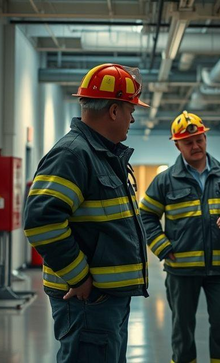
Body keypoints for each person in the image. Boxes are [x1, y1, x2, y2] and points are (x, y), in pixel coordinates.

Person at [23, 64, 150, 363]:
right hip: (89, 300)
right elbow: (41, 220)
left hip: (106, 299)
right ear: (114, 111)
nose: (132, 118)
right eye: (130, 110)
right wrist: (79, 279)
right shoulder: (73, 154)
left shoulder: (102, 154)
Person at [139, 111, 220, 363]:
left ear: (205, 138)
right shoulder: (165, 181)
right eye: (188, 142)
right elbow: (145, 215)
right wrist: (161, 246)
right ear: (177, 144)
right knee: (182, 330)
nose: (196, 146)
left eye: (199, 140)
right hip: (181, 268)